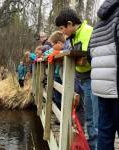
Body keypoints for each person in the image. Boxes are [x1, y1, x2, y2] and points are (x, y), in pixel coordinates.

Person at [55, 7, 98, 150]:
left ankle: (94, 146)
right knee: (89, 116)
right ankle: (92, 145)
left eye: (62, 28)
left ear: (70, 23)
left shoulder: (90, 32)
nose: (62, 32)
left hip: (93, 79)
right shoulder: (71, 37)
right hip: (81, 79)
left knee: (94, 119)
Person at [89, 0, 119, 149]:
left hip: (102, 89)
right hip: (116, 87)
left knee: (104, 135)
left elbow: (90, 53)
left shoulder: (99, 23)